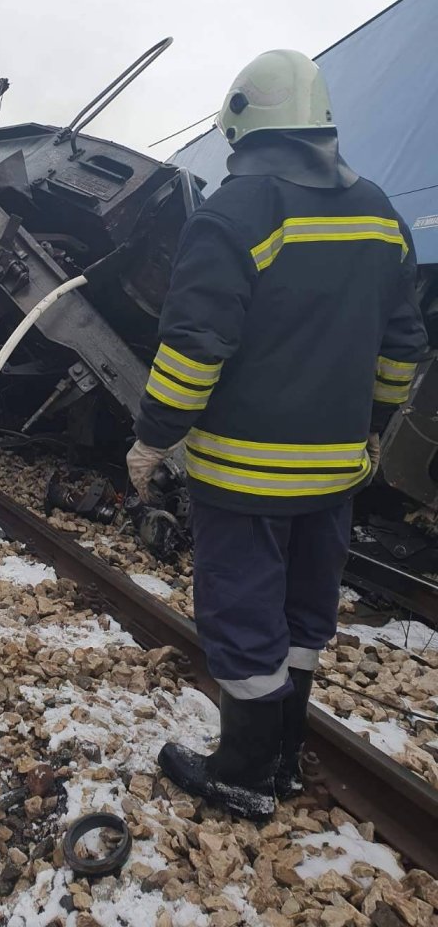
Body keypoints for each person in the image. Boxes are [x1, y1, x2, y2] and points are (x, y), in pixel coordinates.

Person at [127, 50, 427, 820]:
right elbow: (403, 346)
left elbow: (195, 347)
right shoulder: (380, 210)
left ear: (240, 126)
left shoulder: (234, 213)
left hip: (245, 480)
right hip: (333, 477)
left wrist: (153, 437)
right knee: (303, 616)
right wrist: (368, 428)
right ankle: (286, 759)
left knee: (241, 617)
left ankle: (243, 772)